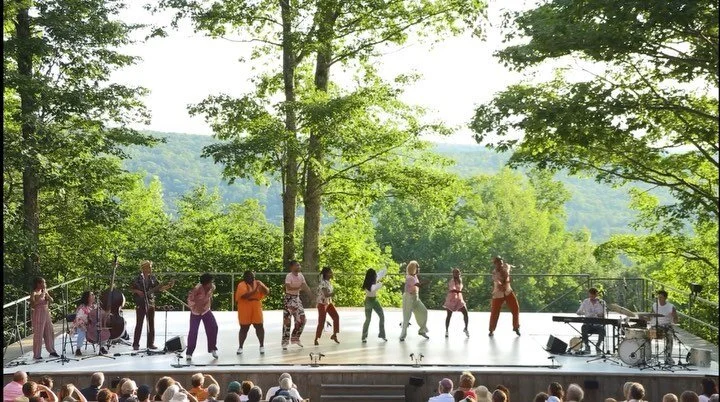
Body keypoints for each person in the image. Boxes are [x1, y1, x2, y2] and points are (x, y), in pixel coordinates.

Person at [130, 260, 174, 350]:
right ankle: (135, 344)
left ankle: (150, 344)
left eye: (150, 267)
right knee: (139, 323)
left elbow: (159, 288)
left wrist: (169, 286)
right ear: (144, 268)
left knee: (151, 323)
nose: (150, 269)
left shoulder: (153, 278)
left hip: (150, 302)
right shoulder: (138, 278)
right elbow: (131, 288)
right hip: (140, 302)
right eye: (149, 267)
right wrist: (138, 291)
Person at [235, 271, 269, 355]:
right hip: (245, 307)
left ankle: (261, 346)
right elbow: (245, 296)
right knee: (244, 327)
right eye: (251, 277)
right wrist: (256, 289)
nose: (253, 278)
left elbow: (267, 292)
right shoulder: (241, 285)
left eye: (254, 277)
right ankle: (240, 347)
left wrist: (262, 287)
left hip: (256, 305)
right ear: (245, 277)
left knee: (259, 325)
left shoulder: (258, 283)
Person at [186, 274, 219, 360]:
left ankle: (212, 348)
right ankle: (189, 353)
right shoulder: (196, 289)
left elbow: (211, 293)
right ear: (205, 284)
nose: (212, 284)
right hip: (196, 312)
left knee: (213, 327)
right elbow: (190, 299)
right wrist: (194, 307)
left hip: (206, 310)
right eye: (210, 282)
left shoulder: (212, 287)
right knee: (193, 331)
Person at [282, 260, 312, 350]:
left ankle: (295, 338)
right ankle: (285, 342)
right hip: (289, 299)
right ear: (291, 267)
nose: (299, 267)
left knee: (302, 319)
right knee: (287, 321)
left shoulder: (301, 276)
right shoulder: (289, 276)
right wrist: (299, 287)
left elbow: (305, 286)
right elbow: (288, 287)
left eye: (299, 265)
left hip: (297, 299)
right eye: (297, 265)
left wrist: (311, 295)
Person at [488, 256, 520, 337]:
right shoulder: (494, 273)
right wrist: (501, 285)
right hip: (498, 294)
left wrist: (515, 267)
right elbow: (498, 282)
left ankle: (516, 327)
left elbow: (510, 266)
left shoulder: (506, 266)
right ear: (495, 264)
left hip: (508, 291)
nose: (500, 265)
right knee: (495, 312)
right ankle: (491, 330)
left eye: (501, 263)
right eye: (498, 263)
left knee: (515, 308)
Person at [30, 277, 60, 359]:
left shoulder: (45, 291)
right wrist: (40, 296)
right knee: (39, 334)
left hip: (46, 312)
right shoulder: (34, 293)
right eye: (43, 283)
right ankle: (37, 354)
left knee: (49, 331)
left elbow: (52, 300)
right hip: (38, 313)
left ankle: (51, 350)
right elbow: (32, 305)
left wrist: (48, 297)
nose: (45, 284)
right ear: (38, 284)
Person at [400, 260, 429, 341]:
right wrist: (426, 282)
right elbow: (418, 285)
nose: (419, 269)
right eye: (417, 267)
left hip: (415, 297)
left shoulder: (415, 276)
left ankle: (422, 330)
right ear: (413, 268)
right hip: (408, 298)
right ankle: (402, 335)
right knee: (407, 317)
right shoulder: (410, 278)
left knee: (424, 311)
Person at [650, 290, 679, 365]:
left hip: (666, 326)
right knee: (647, 337)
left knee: (670, 337)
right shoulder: (654, 305)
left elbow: (676, 318)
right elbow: (651, 315)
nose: (659, 299)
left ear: (665, 298)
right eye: (658, 297)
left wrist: (675, 320)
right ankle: (647, 355)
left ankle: (668, 356)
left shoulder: (671, 307)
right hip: (655, 326)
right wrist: (644, 318)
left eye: (661, 297)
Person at [576, 287, 607, 354]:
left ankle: (598, 345)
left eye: (593, 295)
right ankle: (587, 345)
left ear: (597, 295)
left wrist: (599, 315)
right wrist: (584, 313)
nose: (592, 296)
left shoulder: (602, 302)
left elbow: (604, 314)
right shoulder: (585, 301)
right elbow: (578, 312)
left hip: (598, 324)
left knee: (602, 329)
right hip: (588, 323)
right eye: (590, 295)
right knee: (584, 327)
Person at [314, 267, 340, 345]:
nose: (332, 274)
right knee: (321, 321)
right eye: (330, 272)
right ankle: (316, 338)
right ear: (326, 274)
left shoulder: (329, 282)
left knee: (336, 317)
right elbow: (326, 294)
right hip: (322, 303)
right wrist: (333, 293)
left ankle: (334, 335)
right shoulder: (323, 283)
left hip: (328, 303)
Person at [361, 268, 386, 343]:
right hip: (369, 301)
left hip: (374, 300)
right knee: (368, 319)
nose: (376, 276)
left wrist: (384, 269)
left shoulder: (372, 281)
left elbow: (382, 273)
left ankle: (382, 334)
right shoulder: (370, 286)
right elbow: (376, 287)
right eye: (375, 275)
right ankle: (364, 337)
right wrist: (380, 282)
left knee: (381, 316)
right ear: (372, 277)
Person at [444, 268, 469, 338]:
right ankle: (446, 331)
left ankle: (466, 328)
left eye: (457, 272)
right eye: (454, 273)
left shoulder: (460, 280)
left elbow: (459, 288)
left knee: (465, 313)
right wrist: (461, 292)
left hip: (459, 299)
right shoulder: (452, 281)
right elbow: (453, 289)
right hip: (451, 299)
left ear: (459, 273)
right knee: (449, 315)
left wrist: (461, 292)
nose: (456, 274)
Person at [72, 291, 95, 356]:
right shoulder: (82, 307)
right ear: (87, 298)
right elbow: (78, 319)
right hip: (80, 325)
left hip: (91, 325)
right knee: (82, 332)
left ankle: (101, 347)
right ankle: (78, 349)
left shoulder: (94, 306)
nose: (94, 296)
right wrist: (84, 326)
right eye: (92, 295)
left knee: (100, 330)